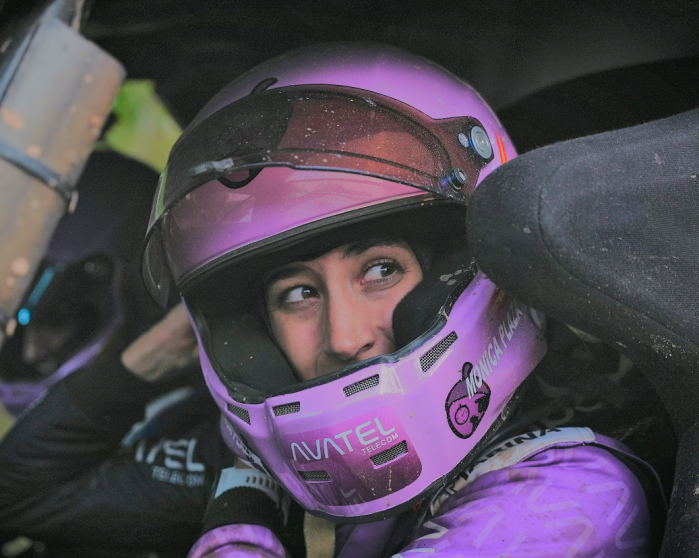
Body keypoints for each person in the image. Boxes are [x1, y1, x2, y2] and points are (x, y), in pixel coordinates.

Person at [139, 43, 667, 557]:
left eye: (380, 270)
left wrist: (239, 518)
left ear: (469, 266)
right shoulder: (318, 483)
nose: (346, 338)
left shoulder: (564, 503)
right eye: (298, 294)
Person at [0, 151, 233, 558]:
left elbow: (9, 493)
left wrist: (141, 363)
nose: (33, 348)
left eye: (58, 315)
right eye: (20, 315)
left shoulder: (211, 425)